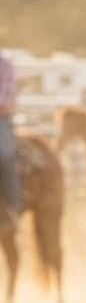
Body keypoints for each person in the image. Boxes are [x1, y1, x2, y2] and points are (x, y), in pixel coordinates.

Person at [0, 48, 20, 225]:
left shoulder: (4, 63)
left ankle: (13, 205)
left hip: (1, 117)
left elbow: (6, 98)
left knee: (5, 155)